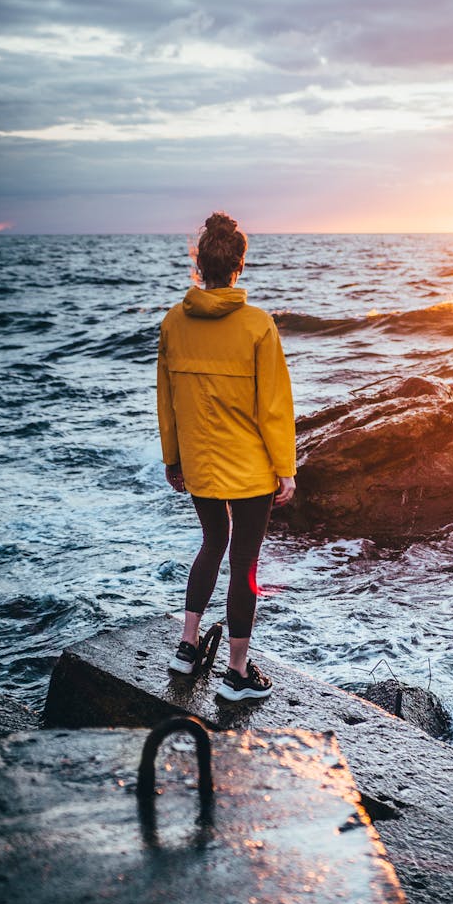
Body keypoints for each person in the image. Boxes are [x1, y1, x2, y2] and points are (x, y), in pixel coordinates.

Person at [156, 212, 296, 701]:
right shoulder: (258, 325)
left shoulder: (174, 321)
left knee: (212, 543)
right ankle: (237, 674)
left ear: (200, 262)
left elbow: (166, 401)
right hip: (251, 469)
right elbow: (274, 406)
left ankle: (187, 645)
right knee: (245, 564)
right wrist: (286, 468)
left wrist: (173, 460)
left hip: (200, 464)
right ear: (240, 263)